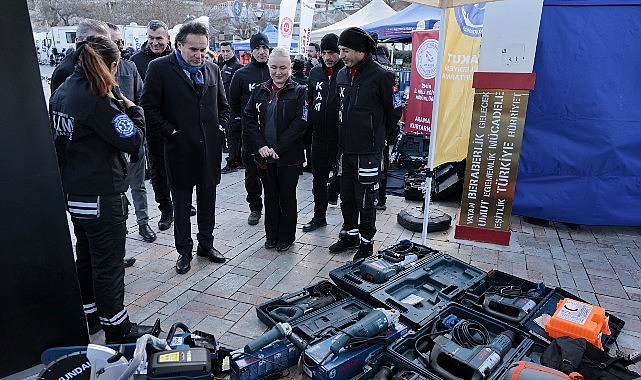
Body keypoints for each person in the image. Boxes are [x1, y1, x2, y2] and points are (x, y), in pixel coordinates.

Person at [49, 35, 157, 343]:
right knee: (108, 265)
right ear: (111, 65)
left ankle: (92, 316)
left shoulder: (63, 90)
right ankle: (117, 328)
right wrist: (135, 111)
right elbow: (133, 141)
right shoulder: (98, 100)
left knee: (86, 259)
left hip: (76, 195)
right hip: (100, 195)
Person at [140, 21, 229, 275]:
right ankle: (184, 251)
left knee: (208, 201)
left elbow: (223, 106)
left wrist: (220, 128)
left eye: (203, 49)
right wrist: (172, 132)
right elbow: (148, 107)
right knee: (181, 204)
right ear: (178, 45)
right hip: (178, 150)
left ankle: (206, 245)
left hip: (208, 150)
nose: (198, 55)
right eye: (193, 49)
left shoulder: (212, 69)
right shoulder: (159, 68)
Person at [328, 27, 402, 261]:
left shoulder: (382, 75)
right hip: (345, 149)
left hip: (368, 150)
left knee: (365, 198)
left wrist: (380, 138)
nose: (342, 56)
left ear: (360, 50)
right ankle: (349, 234)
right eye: (340, 50)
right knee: (347, 195)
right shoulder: (341, 75)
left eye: (346, 50)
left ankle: (366, 242)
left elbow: (395, 112)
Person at [243, 47, 307, 252]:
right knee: (270, 197)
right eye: (273, 67)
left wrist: (278, 147)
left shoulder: (300, 91)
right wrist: (261, 145)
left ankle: (286, 237)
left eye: (283, 68)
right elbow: (249, 118)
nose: (278, 72)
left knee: (287, 197)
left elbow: (301, 122)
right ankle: (271, 235)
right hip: (263, 157)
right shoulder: (260, 90)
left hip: (289, 157)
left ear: (290, 67)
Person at [131, 20, 192, 231]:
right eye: (151, 38)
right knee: (158, 171)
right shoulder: (135, 61)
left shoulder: (179, 58)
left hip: (178, 125)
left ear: (167, 38)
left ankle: (183, 202)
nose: (155, 42)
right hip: (153, 128)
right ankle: (166, 209)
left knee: (182, 167)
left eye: (159, 38)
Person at [107, 23, 157, 245]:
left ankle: (143, 222)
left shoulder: (129, 68)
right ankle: (121, 232)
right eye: (114, 42)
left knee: (138, 184)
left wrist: (138, 126)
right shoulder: (94, 73)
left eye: (120, 41)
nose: (119, 46)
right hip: (109, 143)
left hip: (133, 136)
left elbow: (141, 99)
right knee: (116, 190)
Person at [302, 33, 344, 233]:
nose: (328, 57)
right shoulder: (315, 73)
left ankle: (348, 223)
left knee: (342, 177)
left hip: (341, 136)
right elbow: (309, 100)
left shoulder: (347, 72)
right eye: (324, 52)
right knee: (318, 179)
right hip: (319, 135)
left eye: (332, 52)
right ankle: (319, 216)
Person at [229, 33, 270, 226]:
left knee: (272, 175)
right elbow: (234, 103)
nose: (262, 52)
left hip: (272, 134)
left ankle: (273, 207)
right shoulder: (241, 74)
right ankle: (255, 207)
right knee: (252, 175)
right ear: (251, 51)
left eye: (265, 48)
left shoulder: (275, 71)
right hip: (250, 135)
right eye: (257, 49)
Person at [51, 19, 110, 93]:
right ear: (78, 41)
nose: (101, 47)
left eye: (106, 43)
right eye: (94, 41)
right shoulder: (66, 70)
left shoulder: (106, 62)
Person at [219, 41, 244, 174]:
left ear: (233, 51)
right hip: (226, 106)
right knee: (232, 134)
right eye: (223, 51)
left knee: (233, 135)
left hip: (234, 107)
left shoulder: (237, 67)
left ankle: (233, 162)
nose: (225, 54)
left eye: (227, 51)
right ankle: (237, 160)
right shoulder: (224, 65)